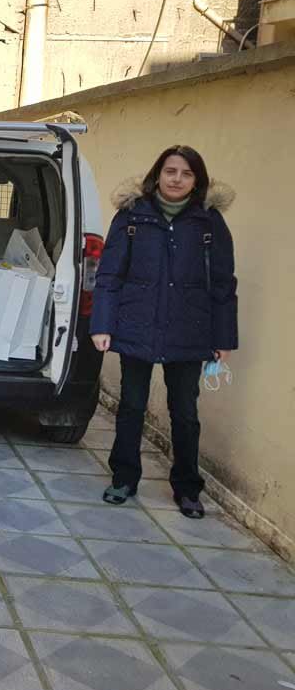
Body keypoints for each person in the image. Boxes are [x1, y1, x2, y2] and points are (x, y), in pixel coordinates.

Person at [90, 145, 237, 519]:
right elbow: (109, 274)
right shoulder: (132, 216)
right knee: (131, 406)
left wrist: (223, 338)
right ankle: (124, 478)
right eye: (171, 171)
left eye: (186, 173)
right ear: (157, 175)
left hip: (189, 329)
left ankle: (187, 488)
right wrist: (103, 324)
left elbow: (223, 283)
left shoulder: (209, 222)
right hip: (137, 324)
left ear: (197, 180)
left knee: (184, 412)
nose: (177, 179)